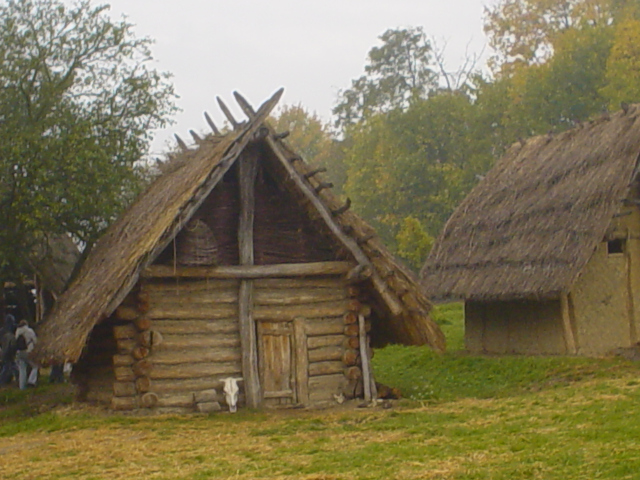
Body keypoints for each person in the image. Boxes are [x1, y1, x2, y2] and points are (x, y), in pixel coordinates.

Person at [15, 319, 38, 389]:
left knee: (22, 369)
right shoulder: (29, 331)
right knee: (35, 366)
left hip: (19, 352)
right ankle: (31, 381)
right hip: (28, 351)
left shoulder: (17, 331)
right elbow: (35, 341)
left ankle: (22, 387)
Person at [0, 314, 17, 384]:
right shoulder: (11, 330)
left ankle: (7, 379)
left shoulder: (2, 330)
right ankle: (2, 380)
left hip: (5, 350)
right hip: (8, 350)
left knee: (8, 366)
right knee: (8, 366)